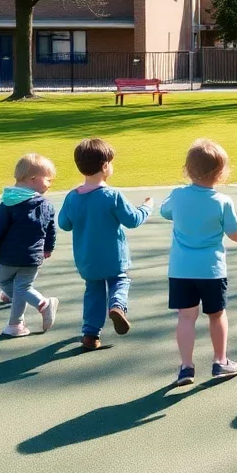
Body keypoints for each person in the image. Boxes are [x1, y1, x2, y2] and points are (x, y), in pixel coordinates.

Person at [160, 139, 237, 386]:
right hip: (211, 270)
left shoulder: (178, 195)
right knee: (216, 315)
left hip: (181, 270)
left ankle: (186, 367)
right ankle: (220, 361)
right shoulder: (222, 201)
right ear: (221, 173)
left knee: (186, 317)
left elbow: (164, 211)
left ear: (187, 169)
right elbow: (235, 233)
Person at [58, 138, 152, 350]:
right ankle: (117, 306)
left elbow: (64, 224)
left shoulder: (72, 197)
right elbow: (133, 220)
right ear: (105, 166)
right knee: (120, 281)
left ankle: (90, 334)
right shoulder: (112, 195)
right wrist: (147, 207)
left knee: (93, 292)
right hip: (113, 257)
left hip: (87, 260)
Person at [0, 154, 59, 337]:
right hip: (25, 256)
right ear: (33, 179)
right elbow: (50, 229)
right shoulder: (39, 204)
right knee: (14, 286)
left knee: (13, 285)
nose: (50, 184)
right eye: (48, 180)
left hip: (15, 255)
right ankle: (42, 305)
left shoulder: (9, 202)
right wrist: (48, 247)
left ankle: (17, 323)